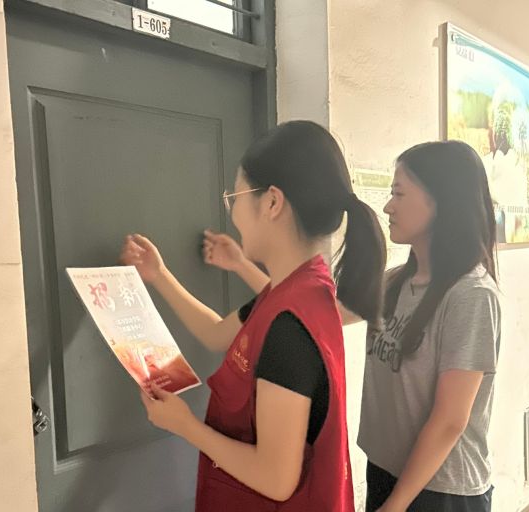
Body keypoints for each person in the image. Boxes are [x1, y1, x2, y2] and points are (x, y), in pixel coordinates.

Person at [209, 141, 504, 511]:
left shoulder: (471, 296)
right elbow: (309, 312)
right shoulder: (395, 282)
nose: (388, 206)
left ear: (440, 202)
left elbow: (449, 421)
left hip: (442, 490)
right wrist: (241, 264)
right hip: (387, 473)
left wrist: (395, 505)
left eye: (399, 194)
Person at [124, 120, 386, 510]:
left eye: (236, 196)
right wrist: (159, 274)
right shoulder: (300, 290)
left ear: (272, 203)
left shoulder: (289, 327)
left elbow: (276, 479)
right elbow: (216, 332)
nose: (232, 213)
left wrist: (185, 426)